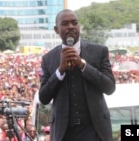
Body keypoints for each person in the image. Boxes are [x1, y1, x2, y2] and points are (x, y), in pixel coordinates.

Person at [38, 9, 116, 141]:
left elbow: (110, 87)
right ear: (56, 30)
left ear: (79, 26)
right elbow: (43, 97)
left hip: (95, 131)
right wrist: (60, 71)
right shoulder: (49, 58)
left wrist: (83, 65)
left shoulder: (99, 51)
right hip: (65, 133)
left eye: (74, 23)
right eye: (65, 24)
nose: (71, 27)